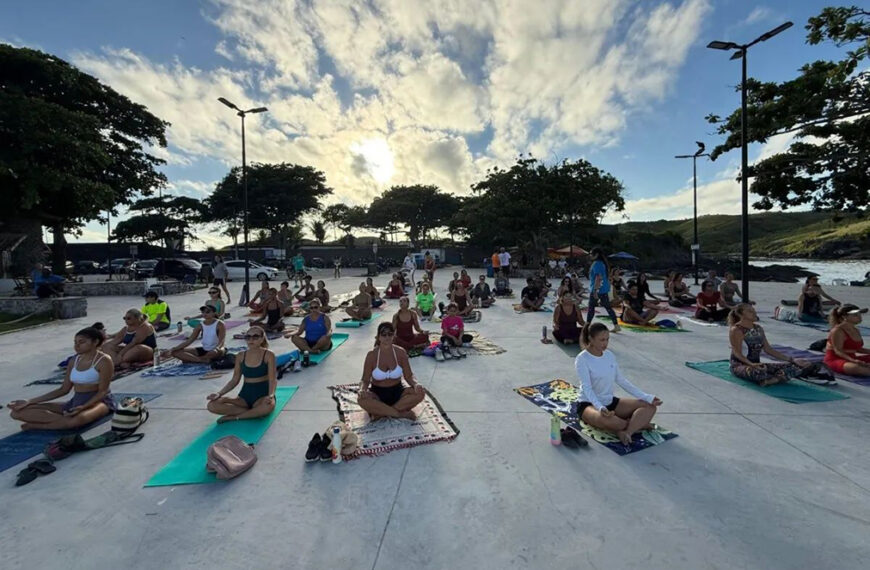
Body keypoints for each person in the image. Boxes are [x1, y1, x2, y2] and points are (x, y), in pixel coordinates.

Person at [8, 327, 115, 430]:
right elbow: (64, 389)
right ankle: (63, 421)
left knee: (77, 420)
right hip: (75, 402)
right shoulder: (74, 360)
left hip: (99, 402)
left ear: (95, 342)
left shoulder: (104, 360)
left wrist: (83, 407)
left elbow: (102, 392)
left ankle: (38, 425)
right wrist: (29, 401)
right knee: (16, 413)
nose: (77, 346)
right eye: (75, 342)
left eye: (81, 342)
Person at [575, 322, 662, 445]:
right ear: (591, 339)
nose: (605, 343)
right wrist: (600, 407)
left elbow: (621, 380)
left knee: (650, 407)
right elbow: (586, 388)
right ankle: (636, 424)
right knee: (614, 422)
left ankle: (628, 432)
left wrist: (648, 397)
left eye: (607, 339)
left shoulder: (609, 355)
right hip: (589, 404)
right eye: (602, 340)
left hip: (610, 401)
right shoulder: (582, 359)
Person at [728, 304, 825, 386]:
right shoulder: (736, 330)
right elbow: (737, 352)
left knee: (801, 366)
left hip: (759, 365)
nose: (754, 313)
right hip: (741, 366)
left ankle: (773, 380)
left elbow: (768, 349)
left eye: (754, 310)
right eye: (750, 311)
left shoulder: (758, 328)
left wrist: (792, 360)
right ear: (741, 314)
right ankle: (777, 377)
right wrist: (751, 364)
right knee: (758, 372)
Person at [357, 322, 426, 421]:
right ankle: (398, 414)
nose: (387, 337)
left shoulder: (401, 352)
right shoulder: (372, 355)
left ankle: (381, 413)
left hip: (398, 392)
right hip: (378, 394)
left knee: (420, 392)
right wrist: (362, 389)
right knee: (361, 399)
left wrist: (416, 384)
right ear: (378, 337)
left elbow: (409, 376)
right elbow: (365, 379)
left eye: (390, 334)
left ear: (394, 336)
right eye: (383, 334)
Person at [207, 326, 277, 423]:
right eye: (248, 337)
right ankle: (252, 413)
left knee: (267, 406)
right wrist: (219, 393)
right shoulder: (240, 355)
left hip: (262, 396)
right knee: (212, 405)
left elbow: (272, 378)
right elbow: (234, 380)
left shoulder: (268, 354)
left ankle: (235, 417)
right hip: (244, 397)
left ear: (262, 339)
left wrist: (271, 395)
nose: (251, 340)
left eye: (255, 337)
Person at [824, 305, 870, 376]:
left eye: (859, 314)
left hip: (852, 358)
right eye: (855, 315)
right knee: (857, 368)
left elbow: (858, 349)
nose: (859, 317)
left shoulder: (856, 330)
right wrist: (853, 361)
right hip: (835, 359)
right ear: (844, 317)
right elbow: (838, 351)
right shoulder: (838, 331)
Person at [585, 248, 620, 332]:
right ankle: (616, 325)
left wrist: (596, 291)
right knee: (608, 307)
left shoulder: (597, 264)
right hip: (603, 289)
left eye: (591, 253)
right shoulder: (602, 263)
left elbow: (598, 278)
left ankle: (586, 326)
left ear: (596, 254)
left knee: (591, 308)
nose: (590, 255)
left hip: (598, 289)